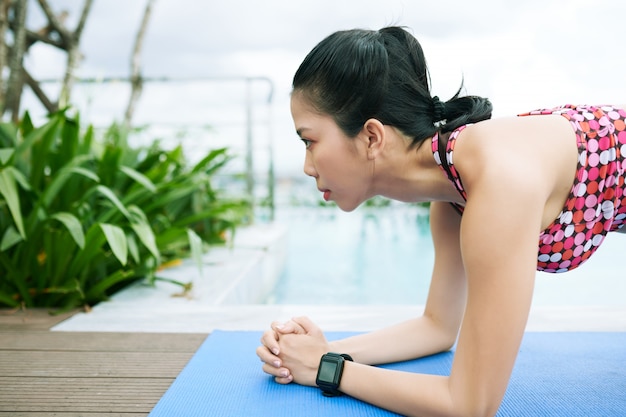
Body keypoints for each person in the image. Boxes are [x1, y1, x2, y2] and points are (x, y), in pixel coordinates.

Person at [256, 26, 626, 417]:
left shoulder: (496, 179)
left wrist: (324, 370)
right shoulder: (453, 192)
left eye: (309, 141)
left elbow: (470, 405)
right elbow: (437, 327)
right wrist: (321, 351)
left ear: (371, 137)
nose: (306, 166)